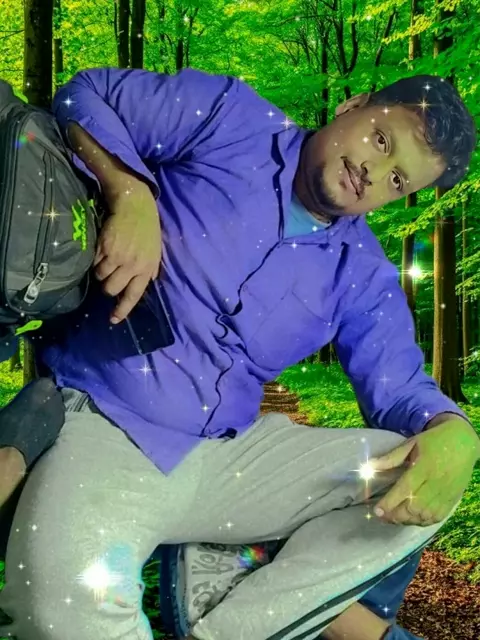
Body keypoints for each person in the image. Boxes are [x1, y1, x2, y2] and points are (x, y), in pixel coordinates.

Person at [0, 67, 478, 640]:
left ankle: (229, 625)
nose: (373, 173)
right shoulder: (233, 117)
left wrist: (455, 430)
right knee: (61, 607)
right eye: (381, 140)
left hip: (232, 459)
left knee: (426, 470)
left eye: (397, 180)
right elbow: (88, 92)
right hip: (112, 423)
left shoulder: (363, 274)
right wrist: (130, 192)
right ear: (353, 104)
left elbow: (399, 388)